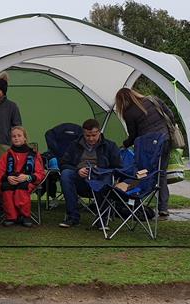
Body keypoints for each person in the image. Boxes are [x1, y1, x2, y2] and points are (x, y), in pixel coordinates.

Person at [115, 87, 173, 217]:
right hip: (165, 140)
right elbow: (170, 114)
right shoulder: (153, 99)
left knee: (142, 173)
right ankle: (163, 207)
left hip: (148, 147)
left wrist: (124, 145)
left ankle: (136, 201)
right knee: (161, 174)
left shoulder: (128, 113)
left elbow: (133, 135)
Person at [58, 119, 123, 228]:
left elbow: (118, 167)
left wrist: (100, 170)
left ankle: (102, 219)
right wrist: (77, 170)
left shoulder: (110, 146)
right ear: (83, 133)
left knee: (106, 178)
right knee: (66, 174)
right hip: (80, 178)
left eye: (94, 135)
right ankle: (73, 217)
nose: (91, 138)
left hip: (100, 178)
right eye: (88, 136)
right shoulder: (74, 145)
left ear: (99, 132)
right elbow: (64, 163)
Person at [0, 126, 45, 227]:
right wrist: (7, 178)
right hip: (10, 180)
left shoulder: (33, 154)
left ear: (25, 138)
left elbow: (40, 173)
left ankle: (25, 216)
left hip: (27, 181)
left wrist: (28, 177)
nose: (16, 138)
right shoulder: (6, 155)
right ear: (11, 139)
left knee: (22, 187)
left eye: (19, 135)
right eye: (13, 136)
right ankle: (11, 217)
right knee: (6, 187)